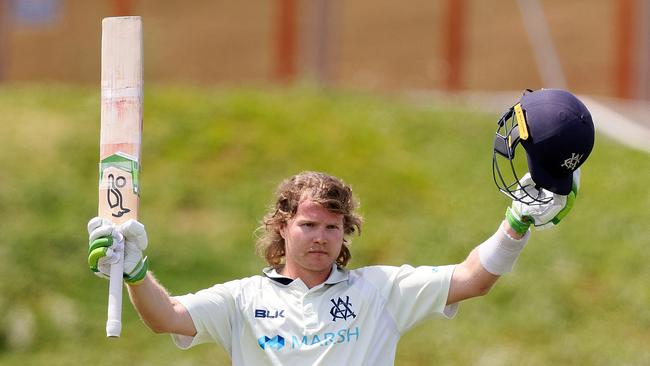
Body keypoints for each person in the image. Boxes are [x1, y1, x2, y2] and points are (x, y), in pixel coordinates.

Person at [87, 88, 594, 366]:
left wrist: (516, 223)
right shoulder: (242, 300)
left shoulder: (380, 292)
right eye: (308, 224)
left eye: (333, 226)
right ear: (282, 227)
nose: (321, 237)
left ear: (345, 233)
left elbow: (473, 279)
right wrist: (135, 272)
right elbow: (166, 317)